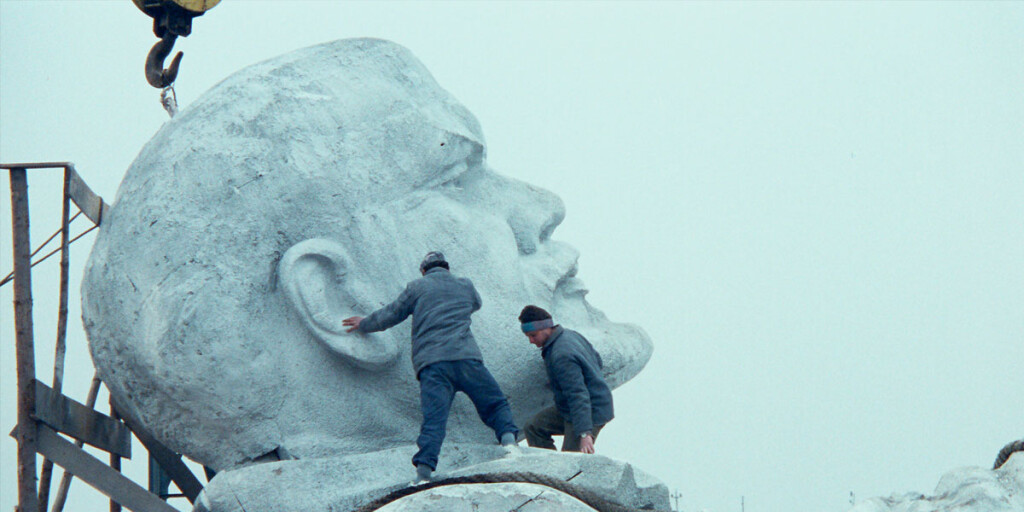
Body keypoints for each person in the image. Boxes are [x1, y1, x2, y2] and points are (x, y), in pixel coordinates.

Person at [81, 38, 652, 475]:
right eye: (456, 179)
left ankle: (456, 455)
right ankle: (488, 445)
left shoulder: (422, 297)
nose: (543, 208)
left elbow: (396, 312)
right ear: (331, 297)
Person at [341, 251, 518, 483]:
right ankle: (509, 445)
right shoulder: (465, 285)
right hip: (467, 358)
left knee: (434, 419)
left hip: (433, 365)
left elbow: (391, 314)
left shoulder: (417, 287)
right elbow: (476, 304)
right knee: (494, 403)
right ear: (447, 268)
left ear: (424, 270)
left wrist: (364, 324)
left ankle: (424, 472)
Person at [519, 305, 613, 454]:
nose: (531, 340)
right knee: (534, 427)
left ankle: (559, 474)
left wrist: (585, 433)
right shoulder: (570, 335)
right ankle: (547, 469)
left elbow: (578, 394)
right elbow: (598, 360)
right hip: (568, 408)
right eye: (528, 336)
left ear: (546, 328)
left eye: (533, 335)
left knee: (570, 459)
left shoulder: (561, 355)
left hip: (589, 411)